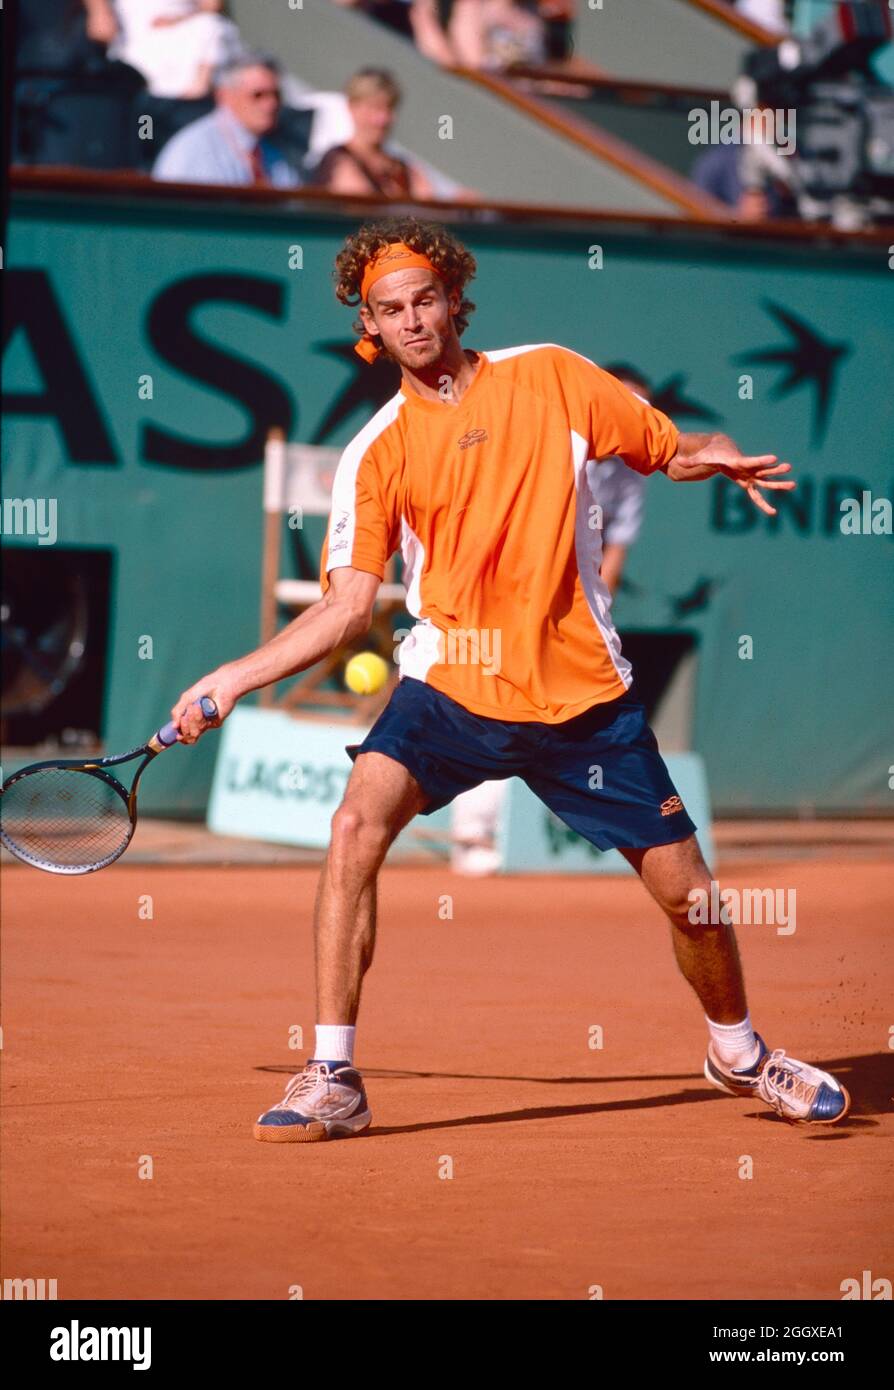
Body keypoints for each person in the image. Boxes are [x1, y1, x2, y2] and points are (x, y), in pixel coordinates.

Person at [172, 216, 851, 1140]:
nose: (413, 321)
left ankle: (739, 1054)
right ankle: (333, 1072)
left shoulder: (553, 377)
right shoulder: (377, 453)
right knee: (354, 823)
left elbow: (665, 447)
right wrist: (232, 676)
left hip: (582, 697)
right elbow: (344, 608)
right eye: (390, 310)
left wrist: (713, 453)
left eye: (425, 301)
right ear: (368, 328)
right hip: (449, 686)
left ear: (454, 300)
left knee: (691, 898)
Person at [449, 362, 654, 875]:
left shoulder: (631, 471)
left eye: (645, 410)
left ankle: (577, 828)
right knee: (489, 704)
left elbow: (616, 551)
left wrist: (594, 612)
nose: (637, 418)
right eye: (628, 405)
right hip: (497, 593)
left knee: (550, 713)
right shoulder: (553, 438)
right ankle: (471, 834)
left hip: (566, 613)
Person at [152, 55, 302, 187]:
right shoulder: (196, 149)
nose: (271, 104)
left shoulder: (272, 153)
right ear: (225, 96)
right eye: (258, 95)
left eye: (276, 95)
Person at [311, 69, 435, 200]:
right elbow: (364, 209)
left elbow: (430, 205)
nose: (383, 119)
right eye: (374, 108)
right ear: (351, 106)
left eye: (390, 108)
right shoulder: (337, 161)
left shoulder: (404, 169)